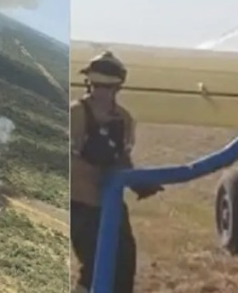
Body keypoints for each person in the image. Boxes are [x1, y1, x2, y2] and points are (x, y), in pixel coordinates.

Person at [69, 50, 163, 293]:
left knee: (123, 268)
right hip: (80, 205)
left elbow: (122, 158)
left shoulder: (124, 119)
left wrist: (138, 182)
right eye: (97, 85)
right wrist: (92, 168)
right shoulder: (75, 115)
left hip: (111, 205)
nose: (101, 92)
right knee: (93, 269)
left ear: (117, 88)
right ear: (88, 83)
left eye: (107, 87)